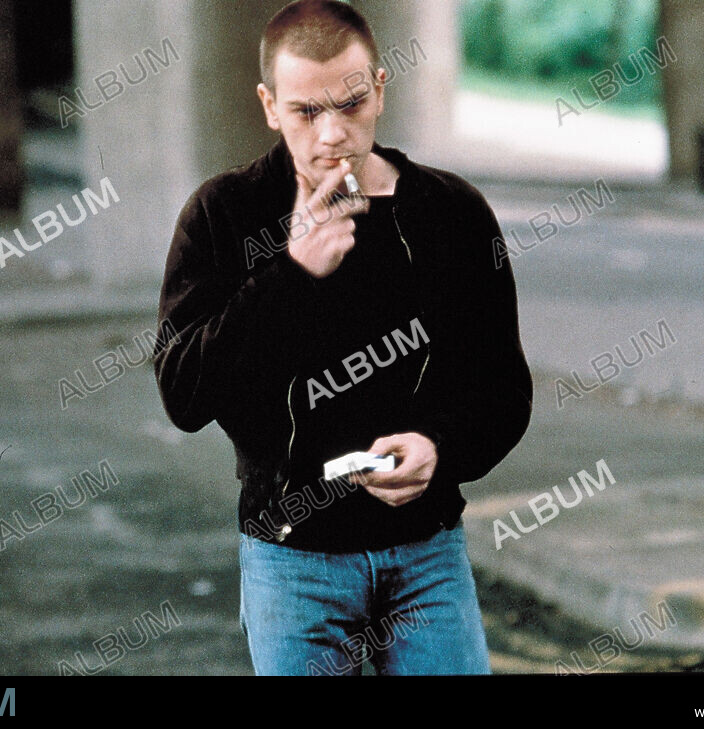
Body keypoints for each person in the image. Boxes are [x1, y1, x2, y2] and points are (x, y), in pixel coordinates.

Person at [153, 0, 532, 676]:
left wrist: (438, 446)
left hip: (427, 551)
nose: (332, 134)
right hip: (293, 557)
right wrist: (290, 273)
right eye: (305, 112)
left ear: (380, 89)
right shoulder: (225, 213)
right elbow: (184, 394)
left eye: (351, 104)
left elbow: (504, 389)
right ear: (269, 106)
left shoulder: (452, 213)